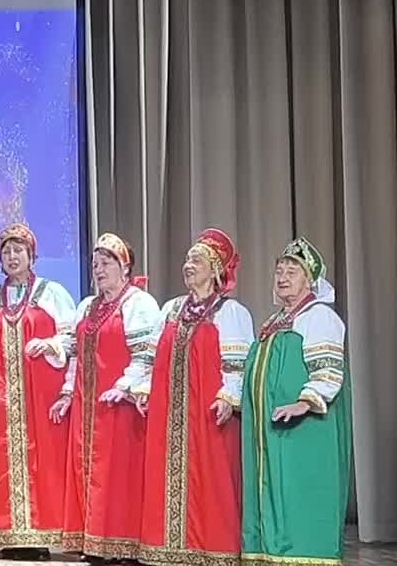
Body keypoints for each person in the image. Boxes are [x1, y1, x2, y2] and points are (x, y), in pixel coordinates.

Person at [138, 229, 253, 566]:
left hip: (208, 411)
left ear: (216, 269)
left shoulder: (230, 312)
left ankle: (212, 550)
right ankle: (169, 548)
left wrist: (228, 397)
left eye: (197, 260)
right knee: (165, 476)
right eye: (187, 259)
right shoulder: (171, 309)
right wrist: (144, 389)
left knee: (211, 478)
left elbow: (237, 362)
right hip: (169, 413)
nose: (188, 265)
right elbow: (151, 355)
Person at [0, 223, 78, 560]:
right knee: (3, 462)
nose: (13, 257)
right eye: (7, 252)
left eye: (19, 250)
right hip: (2, 398)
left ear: (32, 256)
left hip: (41, 392)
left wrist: (50, 345)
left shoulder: (51, 292)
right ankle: (12, 537)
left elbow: (72, 338)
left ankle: (41, 536)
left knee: (44, 463)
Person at [242, 238, 351, 565]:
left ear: (310, 280)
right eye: (279, 271)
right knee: (273, 490)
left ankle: (305, 555)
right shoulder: (273, 321)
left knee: (299, 493)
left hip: (303, 427)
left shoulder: (319, 317)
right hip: (270, 429)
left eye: (292, 271)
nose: (282, 277)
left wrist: (305, 401)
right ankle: (270, 553)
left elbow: (328, 369)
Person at [56, 233, 160, 563]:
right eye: (95, 264)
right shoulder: (87, 306)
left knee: (119, 475)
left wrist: (125, 386)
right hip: (87, 405)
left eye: (106, 263)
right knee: (87, 471)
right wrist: (67, 393)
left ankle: (123, 545)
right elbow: (75, 354)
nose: (99, 270)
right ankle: (94, 543)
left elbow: (146, 355)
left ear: (125, 267)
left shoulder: (139, 304)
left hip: (121, 405)